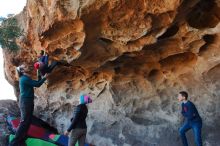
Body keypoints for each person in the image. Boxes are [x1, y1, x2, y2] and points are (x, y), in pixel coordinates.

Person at [9, 64, 47, 146]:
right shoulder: (24, 79)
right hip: (26, 102)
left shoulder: (25, 78)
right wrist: (45, 77)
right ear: (22, 71)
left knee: (28, 121)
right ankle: (14, 143)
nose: (27, 67)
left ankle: (22, 139)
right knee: (24, 121)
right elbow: (37, 84)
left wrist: (39, 75)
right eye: (24, 67)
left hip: (27, 101)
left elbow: (36, 83)